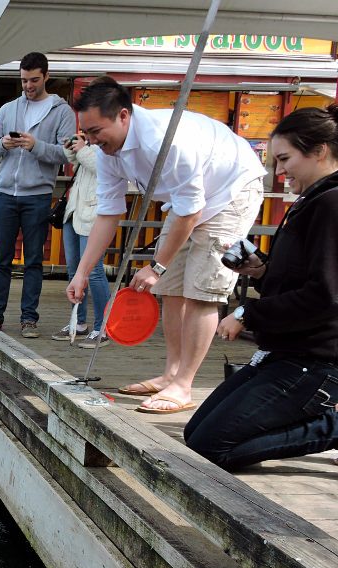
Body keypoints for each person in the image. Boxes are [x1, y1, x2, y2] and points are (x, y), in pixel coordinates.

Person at [67, 79, 265, 413]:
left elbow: (192, 210)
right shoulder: (106, 151)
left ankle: (183, 385)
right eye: (86, 133)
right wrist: (82, 273)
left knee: (202, 288)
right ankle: (170, 372)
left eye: (97, 131)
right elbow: (108, 212)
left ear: (124, 116)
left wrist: (156, 265)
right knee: (171, 288)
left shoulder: (165, 140)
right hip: (186, 199)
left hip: (232, 190)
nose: (93, 141)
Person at [182, 105, 338, 470]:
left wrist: (247, 311)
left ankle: (332, 426)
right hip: (283, 352)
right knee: (195, 436)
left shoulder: (331, 204)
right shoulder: (312, 200)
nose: (279, 171)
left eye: (285, 159)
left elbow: (326, 295)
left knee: (208, 449)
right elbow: (304, 281)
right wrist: (263, 271)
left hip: (313, 363)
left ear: (320, 152)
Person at [0, 52, 76, 338]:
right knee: (2, 259)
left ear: (46, 77)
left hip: (38, 195)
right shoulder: (7, 109)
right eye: (24, 80)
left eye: (34, 80)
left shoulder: (62, 112)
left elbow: (68, 154)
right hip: (5, 194)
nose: (28, 86)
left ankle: (29, 319)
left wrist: (36, 146)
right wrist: (4, 144)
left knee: (34, 259)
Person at [52, 79, 113, 348]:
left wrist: (84, 148)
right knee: (75, 271)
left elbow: (103, 167)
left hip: (95, 213)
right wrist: (73, 146)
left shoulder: (112, 137)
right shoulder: (91, 137)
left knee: (94, 272)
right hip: (75, 211)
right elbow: (77, 162)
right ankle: (80, 321)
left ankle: (103, 328)